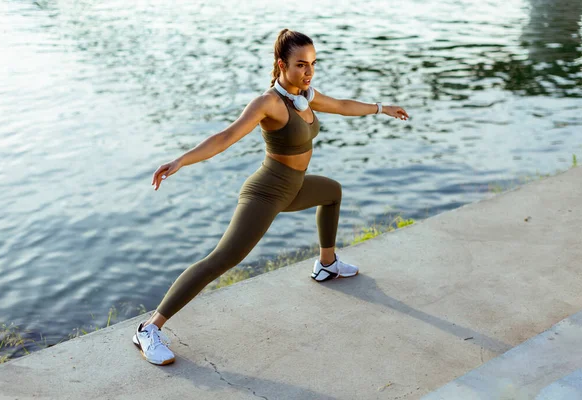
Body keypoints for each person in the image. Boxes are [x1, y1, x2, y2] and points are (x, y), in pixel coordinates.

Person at [132, 28, 410, 365]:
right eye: (300, 65)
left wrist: (382, 108)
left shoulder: (305, 96)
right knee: (223, 259)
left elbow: (340, 105)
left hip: (295, 187)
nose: (308, 72)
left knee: (332, 192)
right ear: (281, 64)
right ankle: (149, 328)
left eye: (313, 64)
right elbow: (226, 136)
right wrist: (180, 160)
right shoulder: (269, 103)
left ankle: (326, 264)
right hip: (266, 191)